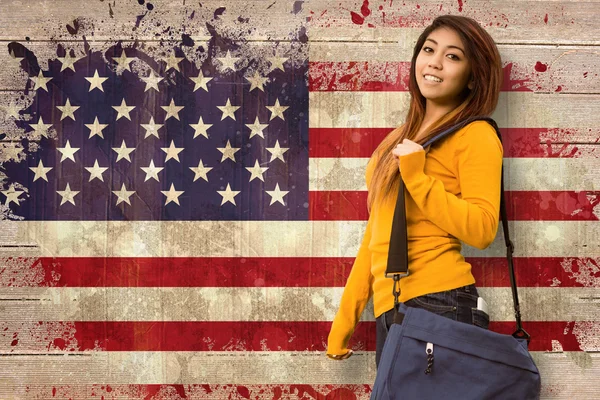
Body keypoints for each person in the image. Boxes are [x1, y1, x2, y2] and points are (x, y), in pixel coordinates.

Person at [326, 15, 504, 368]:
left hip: (441, 304)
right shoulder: (394, 143)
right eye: (428, 49)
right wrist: (344, 322)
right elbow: (376, 236)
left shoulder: (475, 135)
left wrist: (418, 178)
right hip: (392, 308)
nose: (435, 62)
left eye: (453, 56)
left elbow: (483, 230)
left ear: (473, 77)